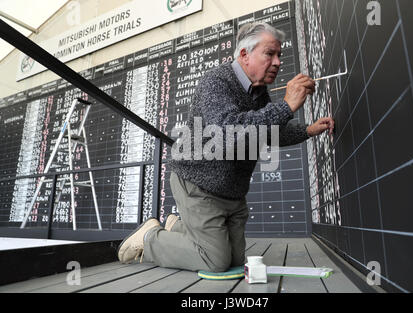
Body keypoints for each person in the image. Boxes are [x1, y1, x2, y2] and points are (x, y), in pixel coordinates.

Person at [117, 22, 334, 271]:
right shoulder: (216, 82)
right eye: (269, 54)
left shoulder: (259, 91)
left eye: (279, 55)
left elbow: (266, 132)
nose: (277, 62)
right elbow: (228, 135)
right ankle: (151, 237)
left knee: (234, 260)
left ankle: (178, 227)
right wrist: (285, 107)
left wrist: (307, 130)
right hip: (197, 183)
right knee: (215, 261)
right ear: (244, 54)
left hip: (232, 193)